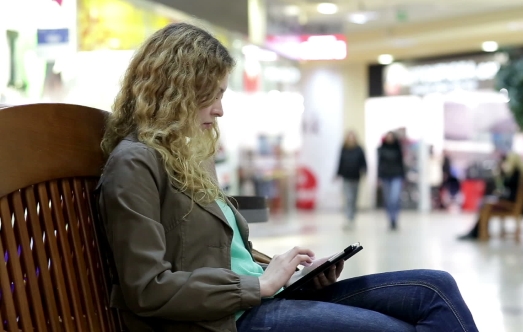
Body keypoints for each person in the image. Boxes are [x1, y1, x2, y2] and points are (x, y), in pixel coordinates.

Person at [97, 23, 479, 332]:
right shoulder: (134, 164)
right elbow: (146, 289)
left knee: (435, 287)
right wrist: (259, 285)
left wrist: (286, 273)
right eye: (210, 95)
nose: (219, 110)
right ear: (175, 92)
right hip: (226, 319)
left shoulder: (187, 157)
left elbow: (224, 256)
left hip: (262, 298)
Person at [458, 152, 523, 240]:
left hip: (510, 203)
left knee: (485, 205)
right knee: (485, 203)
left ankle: (477, 232)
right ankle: (476, 231)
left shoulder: (515, 174)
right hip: (511, 201)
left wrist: (501, 174)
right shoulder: (521, 173)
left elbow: (504, 186)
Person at [335, 130, 367, 230]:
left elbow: (363, 162)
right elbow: (340, 162)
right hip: (346, 177)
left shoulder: (359, 149)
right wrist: (337, 173)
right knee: (348, 198)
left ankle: (352, 217)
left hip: (356, 177)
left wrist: (365, 171)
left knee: (354, 199)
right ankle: (348, 218)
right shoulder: (344, 149)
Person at [378, 131, 406, 229]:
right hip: (385, 176)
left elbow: (401, 164)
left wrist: (403, 176)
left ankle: (395, 218)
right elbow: (379, 164)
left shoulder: (398, 149)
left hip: (396, 176)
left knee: (395, 198)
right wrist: (379, 177)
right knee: (388, 200)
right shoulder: (381, 149)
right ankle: (390, 219)